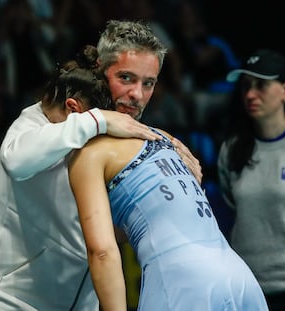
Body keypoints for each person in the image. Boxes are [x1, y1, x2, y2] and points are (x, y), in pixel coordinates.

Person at [0, 20, 202, 311]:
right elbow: (16, 160)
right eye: (126, 78)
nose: (137, 95)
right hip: (6, 304)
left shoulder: (127, 143)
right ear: (100, 69)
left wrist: (181, 177)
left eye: (148, 83)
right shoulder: (44, 116)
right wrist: (98, 119)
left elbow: (109, 235)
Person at [68, 95, 269, 310]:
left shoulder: (90, 154)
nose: (137, 93)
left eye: (148, 83)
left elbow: (102, 252)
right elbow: (147, 219)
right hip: (238, 275)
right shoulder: (162, 136)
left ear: (73, 109)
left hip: (179, 280)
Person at [217, 49, 285, 310]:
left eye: (261, 85)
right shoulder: (231, 151)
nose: (250, 94)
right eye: (245, 86)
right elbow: (234, 206)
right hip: (254, 290)